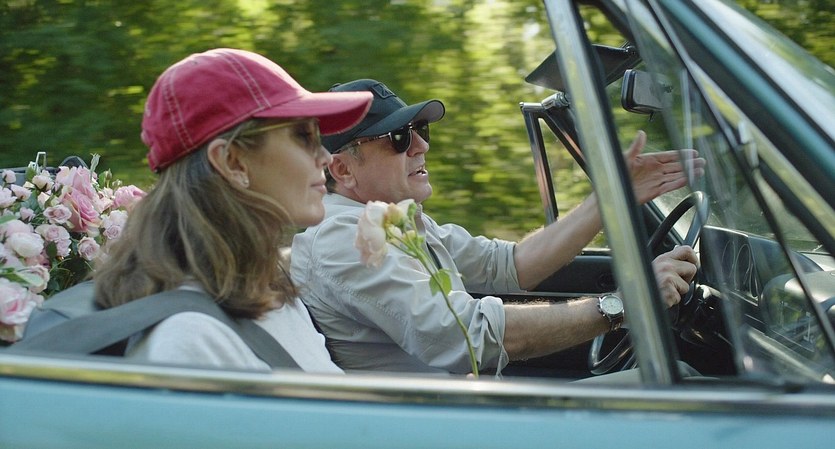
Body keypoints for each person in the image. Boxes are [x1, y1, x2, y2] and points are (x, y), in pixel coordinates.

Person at [290, 79, 705, 375]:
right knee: (683, 387)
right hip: (437, 429)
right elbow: (465, 337)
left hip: (461, 412)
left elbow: (510, 264)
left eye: (420, 130)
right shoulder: (345, 238)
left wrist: (609, 200)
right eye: (398, 138)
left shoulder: (395, 219)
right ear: (342, 169)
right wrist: (622, 304)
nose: (422, 145)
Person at [93, 49, 372, 372]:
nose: (326, 157)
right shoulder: (189, 339)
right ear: (232, 161)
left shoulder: (267, 291)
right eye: (303, 136)